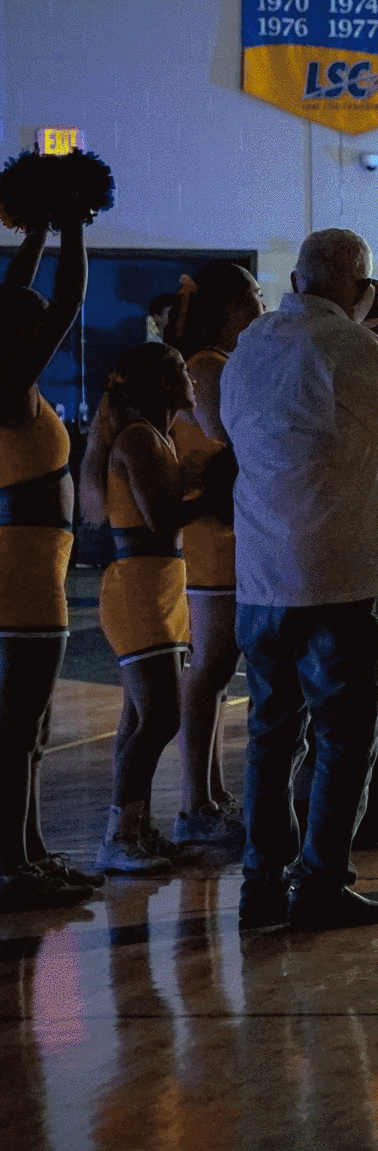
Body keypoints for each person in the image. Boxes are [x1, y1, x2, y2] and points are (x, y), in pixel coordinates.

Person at [222, 227, 378, 932]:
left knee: (271, 735)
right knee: (344, 738)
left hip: (260, 575)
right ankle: (319, 884)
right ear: (358, 285)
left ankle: (259, 883)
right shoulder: (348, 344)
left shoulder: (252, 345)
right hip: (336, 574)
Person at [0, 169, 94, 911]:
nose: (43, 331)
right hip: (22, 577)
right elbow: (63, 302)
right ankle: (14, 861)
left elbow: (28, 298)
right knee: (18, 727)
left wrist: (33, 231)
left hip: (30, 570)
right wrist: (72, 225)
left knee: (28, 729)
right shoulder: (8, 384)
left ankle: (29, 852)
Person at [82, 343, 197, 874]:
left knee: (139, 717)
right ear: (157, 384)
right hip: (139, 586)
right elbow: (164, 517)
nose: (190, 376)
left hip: (161, 583)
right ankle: (118, 837)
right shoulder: (140, 439)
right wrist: (227, 488)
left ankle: (137, 827)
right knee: (160, 717)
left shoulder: (161, 437)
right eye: (178, 370)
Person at [162, 262, 263, 847]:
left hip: (228, 530)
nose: (259, 305)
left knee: (220, 668)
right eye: (251, 296)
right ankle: (194, 803)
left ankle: (214, 794)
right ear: (228, 306)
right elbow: (232, 439)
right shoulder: (205, 366)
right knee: (211, 667)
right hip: (212, 533)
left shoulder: (221, 363)